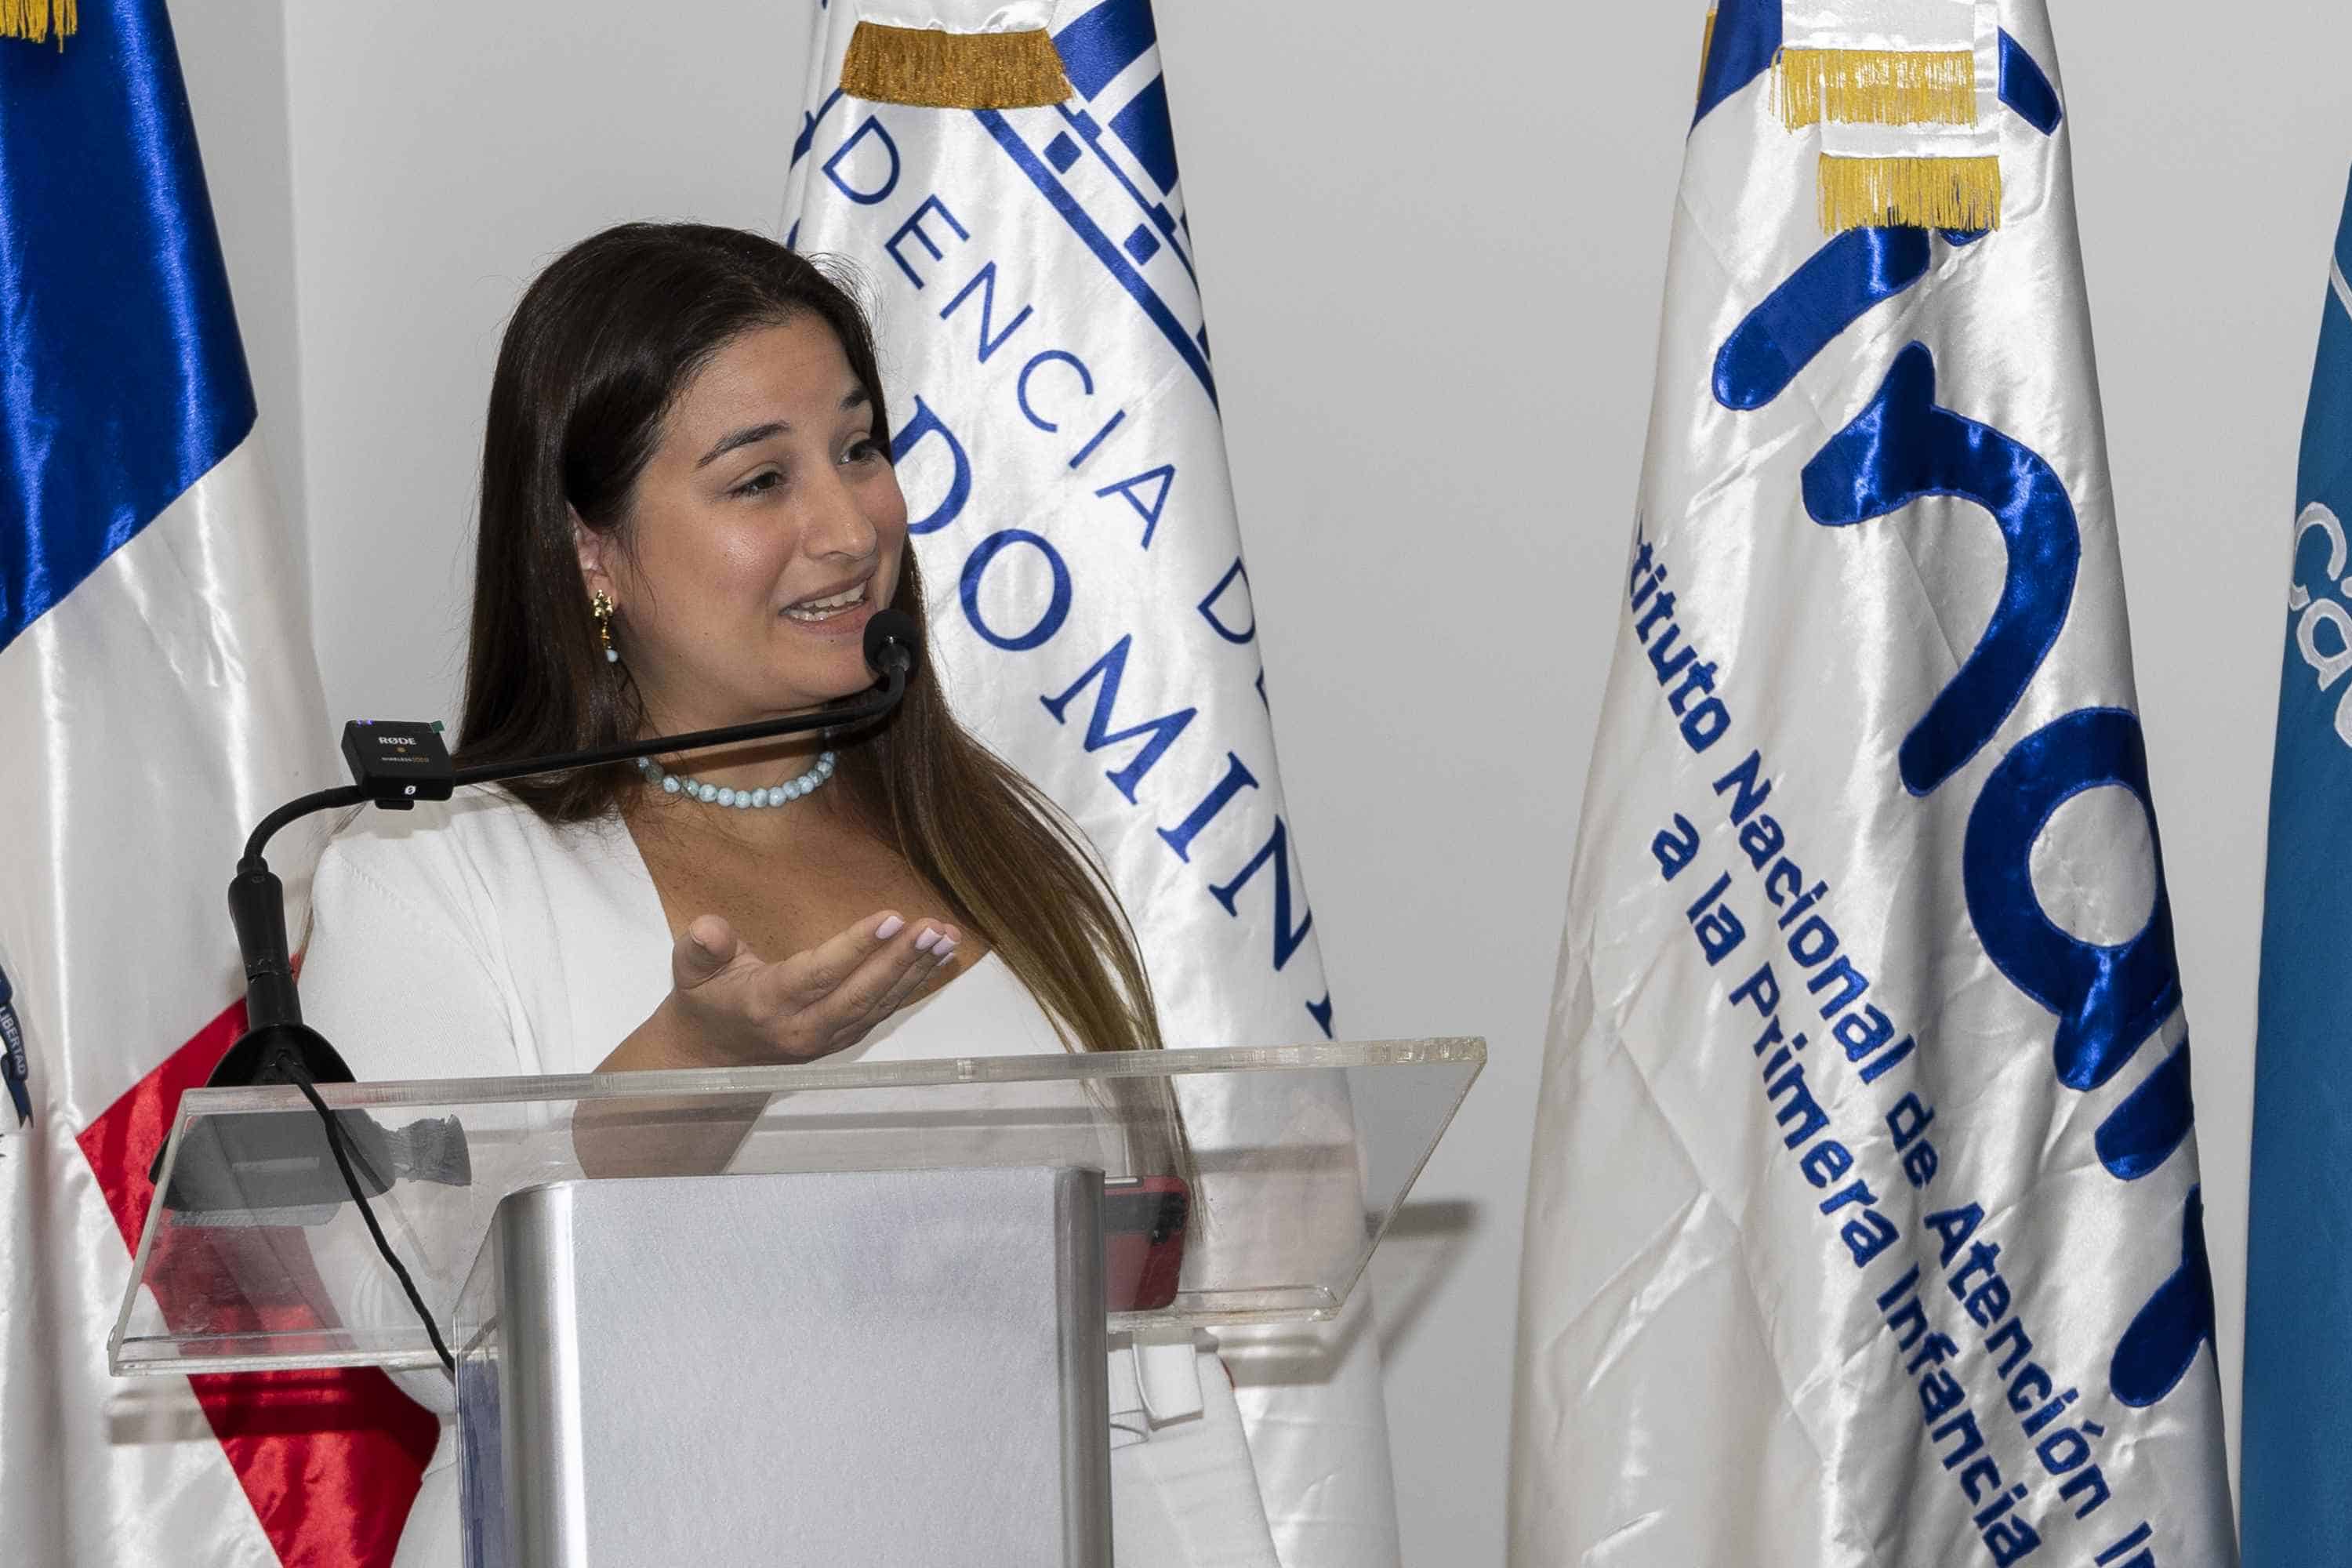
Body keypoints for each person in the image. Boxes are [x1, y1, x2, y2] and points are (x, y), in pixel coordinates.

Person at [299, 222, 1283, 1566]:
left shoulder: (1000, 847)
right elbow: (406, 1321)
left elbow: (1151, 1361)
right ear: (594, 551)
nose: (850, 524)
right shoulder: (430, 876)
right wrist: (691, 1071)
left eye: (860, 448)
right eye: (761, 479)